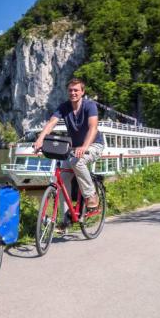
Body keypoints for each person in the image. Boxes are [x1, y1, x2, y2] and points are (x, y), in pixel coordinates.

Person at [33, 78, 104, 221]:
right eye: (70, 90)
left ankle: (91, 196)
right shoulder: (64, 107)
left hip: (93, 145)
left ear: (82, 92)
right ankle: (65, 219)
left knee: (78, 162)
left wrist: (84, 146)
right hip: (73, 149)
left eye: (76, 90)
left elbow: (93, 128)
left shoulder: (90, 106)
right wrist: (40, 139)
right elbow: (51, 123)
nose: (73, 93)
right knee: (62, 179)